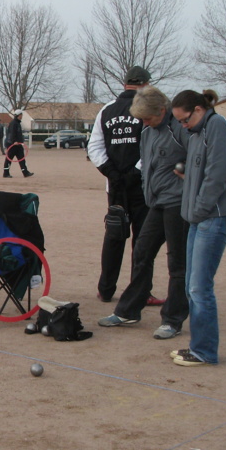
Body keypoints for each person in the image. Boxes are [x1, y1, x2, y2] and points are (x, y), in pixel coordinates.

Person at [97, 86, 188, 340]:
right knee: (142, 252)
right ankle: (128, 310)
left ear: (162, 110)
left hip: (178, 204)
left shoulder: (180, 129)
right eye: (141, 119)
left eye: (147, 118)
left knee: (177, 263)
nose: (143, 123)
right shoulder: (147, 131)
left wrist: (186, 170)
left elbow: (200, 158)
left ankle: (173, 319)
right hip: (155, 203)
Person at [168, 90, 226, 367]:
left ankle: (205, 351)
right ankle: (198, 346)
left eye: (184, 120)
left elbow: (218, 174)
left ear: (198, 109)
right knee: (191, 285)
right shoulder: (198, 132)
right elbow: (201, 167)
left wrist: (198, 209)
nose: (183, 127)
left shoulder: (217, 126)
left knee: (200, 288)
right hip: (200, 218)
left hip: (216, 217)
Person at [87, 66, 152, 302]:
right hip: (142, 186)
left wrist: (111, 173)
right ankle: (141, 291)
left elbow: (94, 147)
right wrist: (133, 173)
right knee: (142, 240)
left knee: (114, 236)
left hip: (114, 187)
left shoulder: (106, 110)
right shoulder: (147, 109)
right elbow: (150, 147)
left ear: (125, 84)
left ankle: (105, 289)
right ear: (145, 84)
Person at [2, 111, 32, 178]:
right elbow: (11, 133)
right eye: (21, 115)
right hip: (12, 145)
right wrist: (14, 141)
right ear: (19, 115)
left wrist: (21, 141)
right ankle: (6, 173)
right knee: (9, 159)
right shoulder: (13, 123)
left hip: (18, 145)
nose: (22, 116)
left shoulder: (18, 123)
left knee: (22, 159)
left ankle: (25, 172)